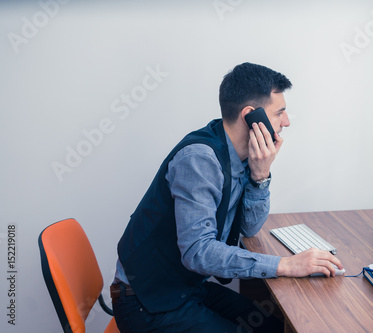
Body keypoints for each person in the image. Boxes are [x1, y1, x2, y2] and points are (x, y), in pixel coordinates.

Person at [111, 62, 343, 333]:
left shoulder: (242, 156)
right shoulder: (200, 160)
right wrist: (286, 264)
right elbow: (198, 252)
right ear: (250, 116)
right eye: (279, 112)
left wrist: (260, 176)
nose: (287, 121)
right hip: (146, 303)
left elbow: (248, 228)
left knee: (271, 326)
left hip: (185, 289)